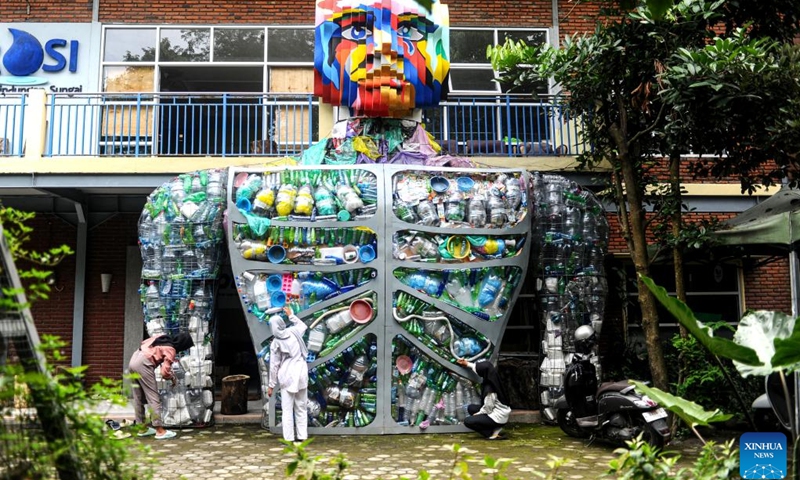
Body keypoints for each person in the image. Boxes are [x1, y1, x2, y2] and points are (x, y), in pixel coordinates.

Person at [129, 331, 194, 440]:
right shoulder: (171, 349)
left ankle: (142, 428)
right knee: (153, 398)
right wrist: (172, 378)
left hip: (134, 359)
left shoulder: (162, 337)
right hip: (144, 363)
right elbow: (164, 373)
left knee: (138, 397)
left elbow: (145, 343)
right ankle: (160, 430)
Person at [267, 306, 309, 443]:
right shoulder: (294, 332)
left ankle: (289, 438)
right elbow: (302, 325)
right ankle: (302, 436)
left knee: (287, 409)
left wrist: (271, 385)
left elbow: (274, 365)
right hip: (301, 371)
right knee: (301, 406)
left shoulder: (275, 343)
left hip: (286, 375)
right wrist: (291, 315)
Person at [456, 358, 511, 439]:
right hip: (498, 411)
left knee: (468, 421)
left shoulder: (490, 389)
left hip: (498, 417)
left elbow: (488, 408)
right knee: (471, 408)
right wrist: (467, 364)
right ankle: (494, 428)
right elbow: (480, 368)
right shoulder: (493, 378)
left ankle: (491, 434)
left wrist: (477, 414)